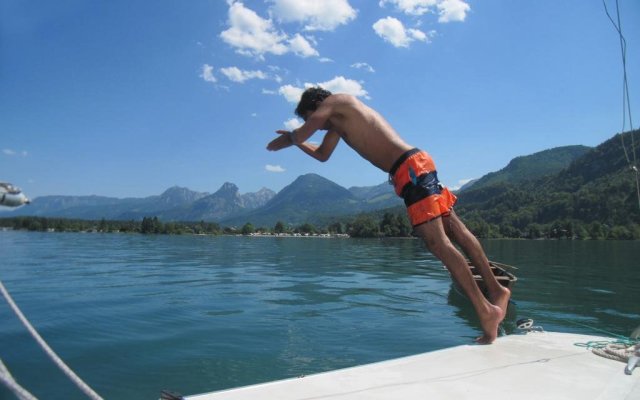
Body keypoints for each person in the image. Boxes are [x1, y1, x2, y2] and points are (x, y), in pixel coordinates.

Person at [267, 87, 510, 344]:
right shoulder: (339, 122)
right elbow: (323, 155)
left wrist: (289, 139)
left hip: (410, 169)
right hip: (415, 165)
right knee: (455, 230)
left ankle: (486, 310)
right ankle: (496, 289)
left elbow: (305, 130)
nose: (316, 125)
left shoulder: (336, 101)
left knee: (438, 242)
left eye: (309, 116)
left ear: (316, 105)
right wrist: (298, 142)